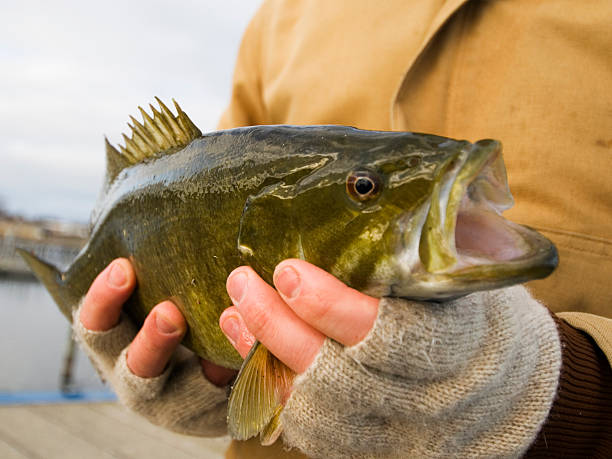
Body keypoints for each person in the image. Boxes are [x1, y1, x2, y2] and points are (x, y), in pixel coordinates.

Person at [74, 1, 612, 457]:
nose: (366, 191)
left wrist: (560, 393)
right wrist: (203, 370)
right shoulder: (285, 14)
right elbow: (203, 194)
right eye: (364, 188)